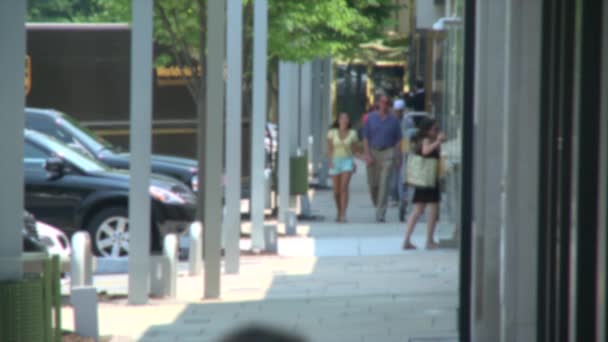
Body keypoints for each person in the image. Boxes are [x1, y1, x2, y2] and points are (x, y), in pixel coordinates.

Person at [402, 117, 446, 250]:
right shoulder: (426, 140)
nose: (436, 131)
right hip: (428, 179)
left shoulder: (420, 139)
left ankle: (407, 239)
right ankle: (429, 240)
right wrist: (438, 142)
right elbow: (425, 151)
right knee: (432, 210)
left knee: (418, 210)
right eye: (434, 129)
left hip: (424, 179)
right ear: (427, 130)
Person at [362, 95, 403, 222]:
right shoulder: (370, 118)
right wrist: (367, 154)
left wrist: (397, 156)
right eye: (382, 102)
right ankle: (377, 203)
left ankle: (380, 213)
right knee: (373, 185)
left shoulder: (394, 120)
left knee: (384, 184)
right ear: (378, 103)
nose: (384, 105)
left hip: (388, 152)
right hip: (373, 152)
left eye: (387, 103)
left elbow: (398, 140)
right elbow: (365, 138)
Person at [327, 112, 360, 222]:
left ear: (349, 121)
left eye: (346, 118)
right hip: (335, 161)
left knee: (344, 188)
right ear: (338, 120)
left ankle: (343, 214)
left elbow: (354, 150)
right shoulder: (332, 133)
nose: (344, 120)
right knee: (336, 191)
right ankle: (338, 210)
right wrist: (330, 161)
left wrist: (355, 162)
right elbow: (330, 148)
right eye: (342, 118)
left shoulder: (353, 133)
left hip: (347, 161)